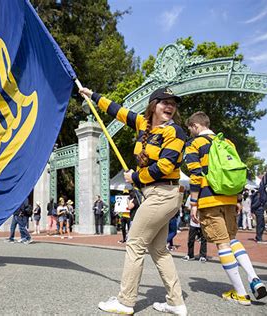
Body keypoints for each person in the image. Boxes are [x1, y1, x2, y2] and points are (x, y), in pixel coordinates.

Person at [80, 86, 187, 315]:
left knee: (135, 244)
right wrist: (93, 96)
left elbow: (165, 166)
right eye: (164, 101)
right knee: (159, 250)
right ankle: (176, 302)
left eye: (173, 103)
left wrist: (135, 177)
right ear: (153, 105)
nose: (169, 106)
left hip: (163, 193)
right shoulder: (142, 124)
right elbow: (117, 111)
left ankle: (125, 302)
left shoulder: (175, 131)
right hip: (157, 194)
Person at [185, 111, 267, 305]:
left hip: (209, 199)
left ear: (195, 126)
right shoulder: (228, 143)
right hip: (230, 199)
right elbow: (237, 171)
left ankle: (241, 293)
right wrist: (238, 198)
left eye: (190, 129)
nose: (190, 133)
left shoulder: (194, 144)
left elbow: (196, 176)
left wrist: (194, 203)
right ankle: (254, 278)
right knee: (231, 240)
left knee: (222, 244)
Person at [182, 196, 207, 262]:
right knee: (191, 239)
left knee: (204, 239)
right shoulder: (191, 196)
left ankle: (203, 256)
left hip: (203, 221)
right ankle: (190, 255)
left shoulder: (205, 195)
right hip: (193, 222)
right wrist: (193, 208)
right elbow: (187, 207)